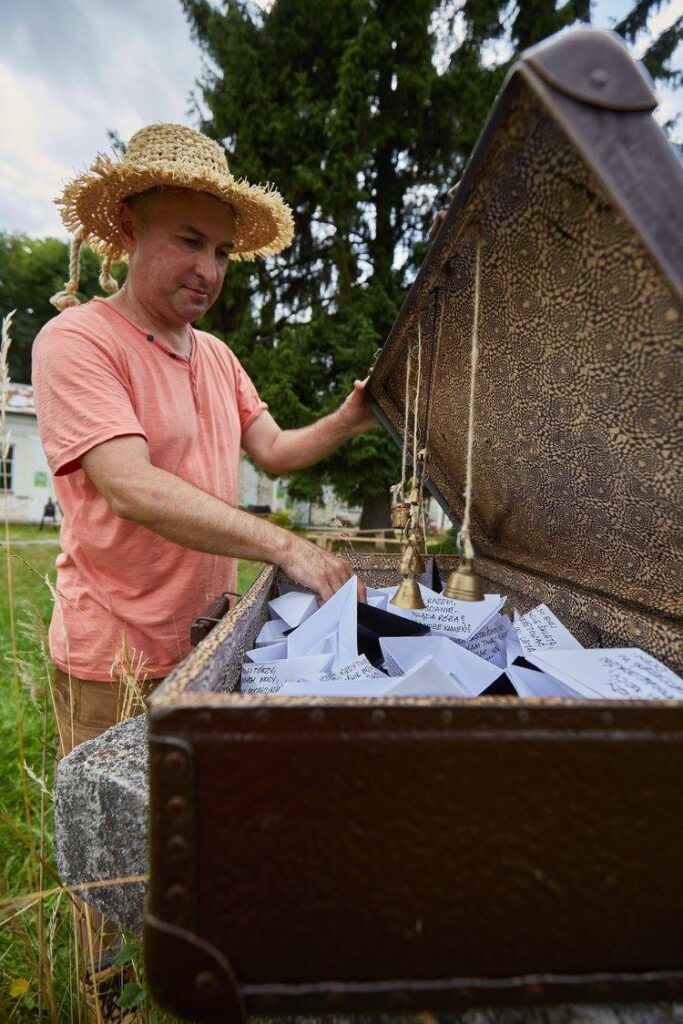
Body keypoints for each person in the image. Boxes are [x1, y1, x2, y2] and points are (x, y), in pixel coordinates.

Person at [32, 122, 376, 1018]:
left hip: (209, 644)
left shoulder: (218, 357)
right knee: (106, 853)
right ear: (126, 233)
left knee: (192, 843)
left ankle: (191, 984)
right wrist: (284, 545)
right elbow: (127, 480)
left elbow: (272, 447)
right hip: (113, 650)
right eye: (188, 240)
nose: (210, 268)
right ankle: (104, 998)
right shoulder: (78, 342)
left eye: (222, 250)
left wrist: (350, 416)